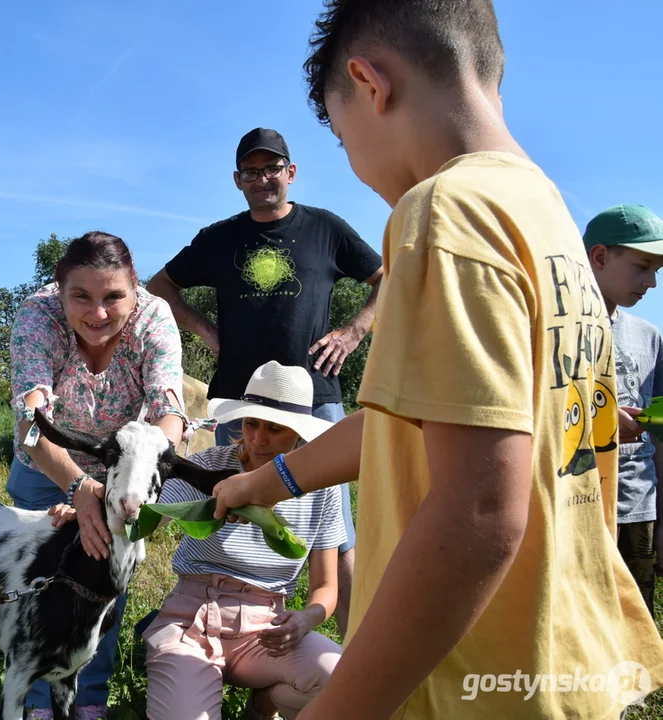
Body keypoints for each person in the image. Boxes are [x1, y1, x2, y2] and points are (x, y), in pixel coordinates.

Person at [209, 1, 663, 718]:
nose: (355, 165)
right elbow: (425, 422)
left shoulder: (441, 213)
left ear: (368, 85)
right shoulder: (542, 211)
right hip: (557, 655)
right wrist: (266, 480)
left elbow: (478, 512)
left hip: (469, 675)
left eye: (339, 135)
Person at [147, 126, 383, 638]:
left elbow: (388, 279)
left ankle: (351, 658)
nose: (263, 179)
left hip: (315, 399)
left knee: (336, 533)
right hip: (239, 402)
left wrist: (353, 330)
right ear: (238, 180)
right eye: (251, 172)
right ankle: (231, 638)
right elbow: (159, 288)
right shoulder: (219, 238)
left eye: (272, 168)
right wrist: (207, 331)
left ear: (291, 173)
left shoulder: (327, 229)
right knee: (234, 515)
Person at [7, 231, 186, 720]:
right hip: (47, 467)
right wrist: (77, 487)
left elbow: (169, 409)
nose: (98, 313)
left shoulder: (154, 318)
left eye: (114, 297)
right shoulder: (36, 316)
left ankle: (90, 700)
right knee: (42, 576)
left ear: (135, 287)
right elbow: (29, 426)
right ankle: (39, 701)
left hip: (122, 469)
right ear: (58, 289)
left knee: (107, 578)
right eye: (80, 296)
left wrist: (142, 470)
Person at [143, 361, 345, 720]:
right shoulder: (208, 466)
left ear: (298, 433)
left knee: (344, 681)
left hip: (266, 631)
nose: (257, 439)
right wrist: (92, 502)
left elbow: (327, 587)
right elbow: (147, 509)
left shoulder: (321, 490)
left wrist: (306, 619)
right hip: (192, 622)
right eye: (251, 423)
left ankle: (263, 706)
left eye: (275, 428)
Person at [584, 204, 663, 618]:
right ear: (599, 257)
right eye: (642, 266)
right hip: (576, 507)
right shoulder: (554, 328)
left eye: (657, 271)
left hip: (639, 508)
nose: (651, 282)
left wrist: (661, 518)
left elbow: (660, 438)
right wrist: (601, 424)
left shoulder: (648, 337)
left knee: (636, 624)